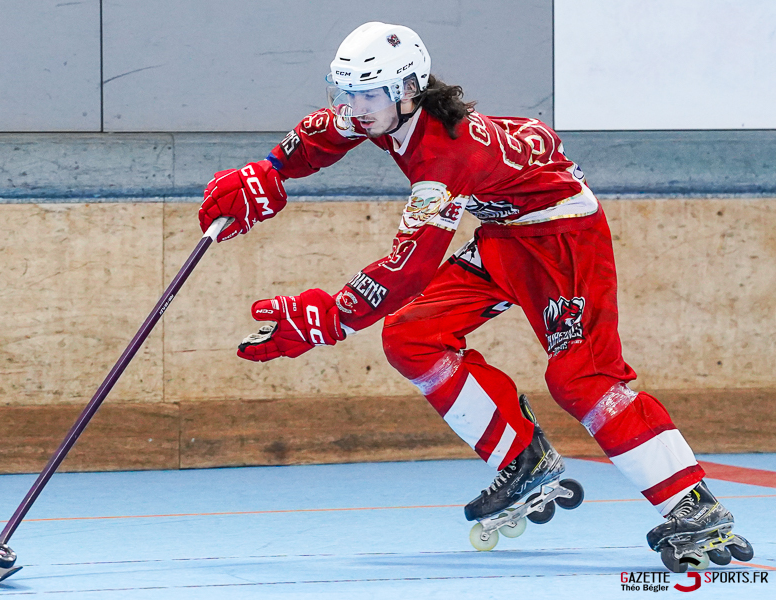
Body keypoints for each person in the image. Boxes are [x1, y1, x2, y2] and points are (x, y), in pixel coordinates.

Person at [197, 22, 751, 571]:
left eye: (369, 95)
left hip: (564, 241)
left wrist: (332, 316)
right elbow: (323, 132)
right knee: (412, 336)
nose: (356, 107)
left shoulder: (444, 158)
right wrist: (267, 171)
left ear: (408, 90)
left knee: (581, 378)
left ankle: (692, 503)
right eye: (348, 92)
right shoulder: (384, 111)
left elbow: (410, 267)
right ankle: (523, 459)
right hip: (505, 236)